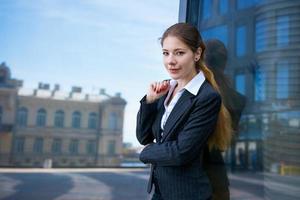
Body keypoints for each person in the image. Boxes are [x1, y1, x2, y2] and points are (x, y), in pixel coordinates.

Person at [136, 23, 232, 200]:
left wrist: (146, 152)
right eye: (166, 53)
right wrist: (150, 101)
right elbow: (144, 137)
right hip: (160, 191)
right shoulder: (166, 88)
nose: (170, 61)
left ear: (197, 54)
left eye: (179, 53)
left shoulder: (206, 97)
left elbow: (181, 152)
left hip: (186, 194)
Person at [203, 39, 246, 199]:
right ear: (225, 62)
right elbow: (228, 142)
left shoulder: (190, 94)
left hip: (187, 180)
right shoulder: (238, 100)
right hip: (217, 179)